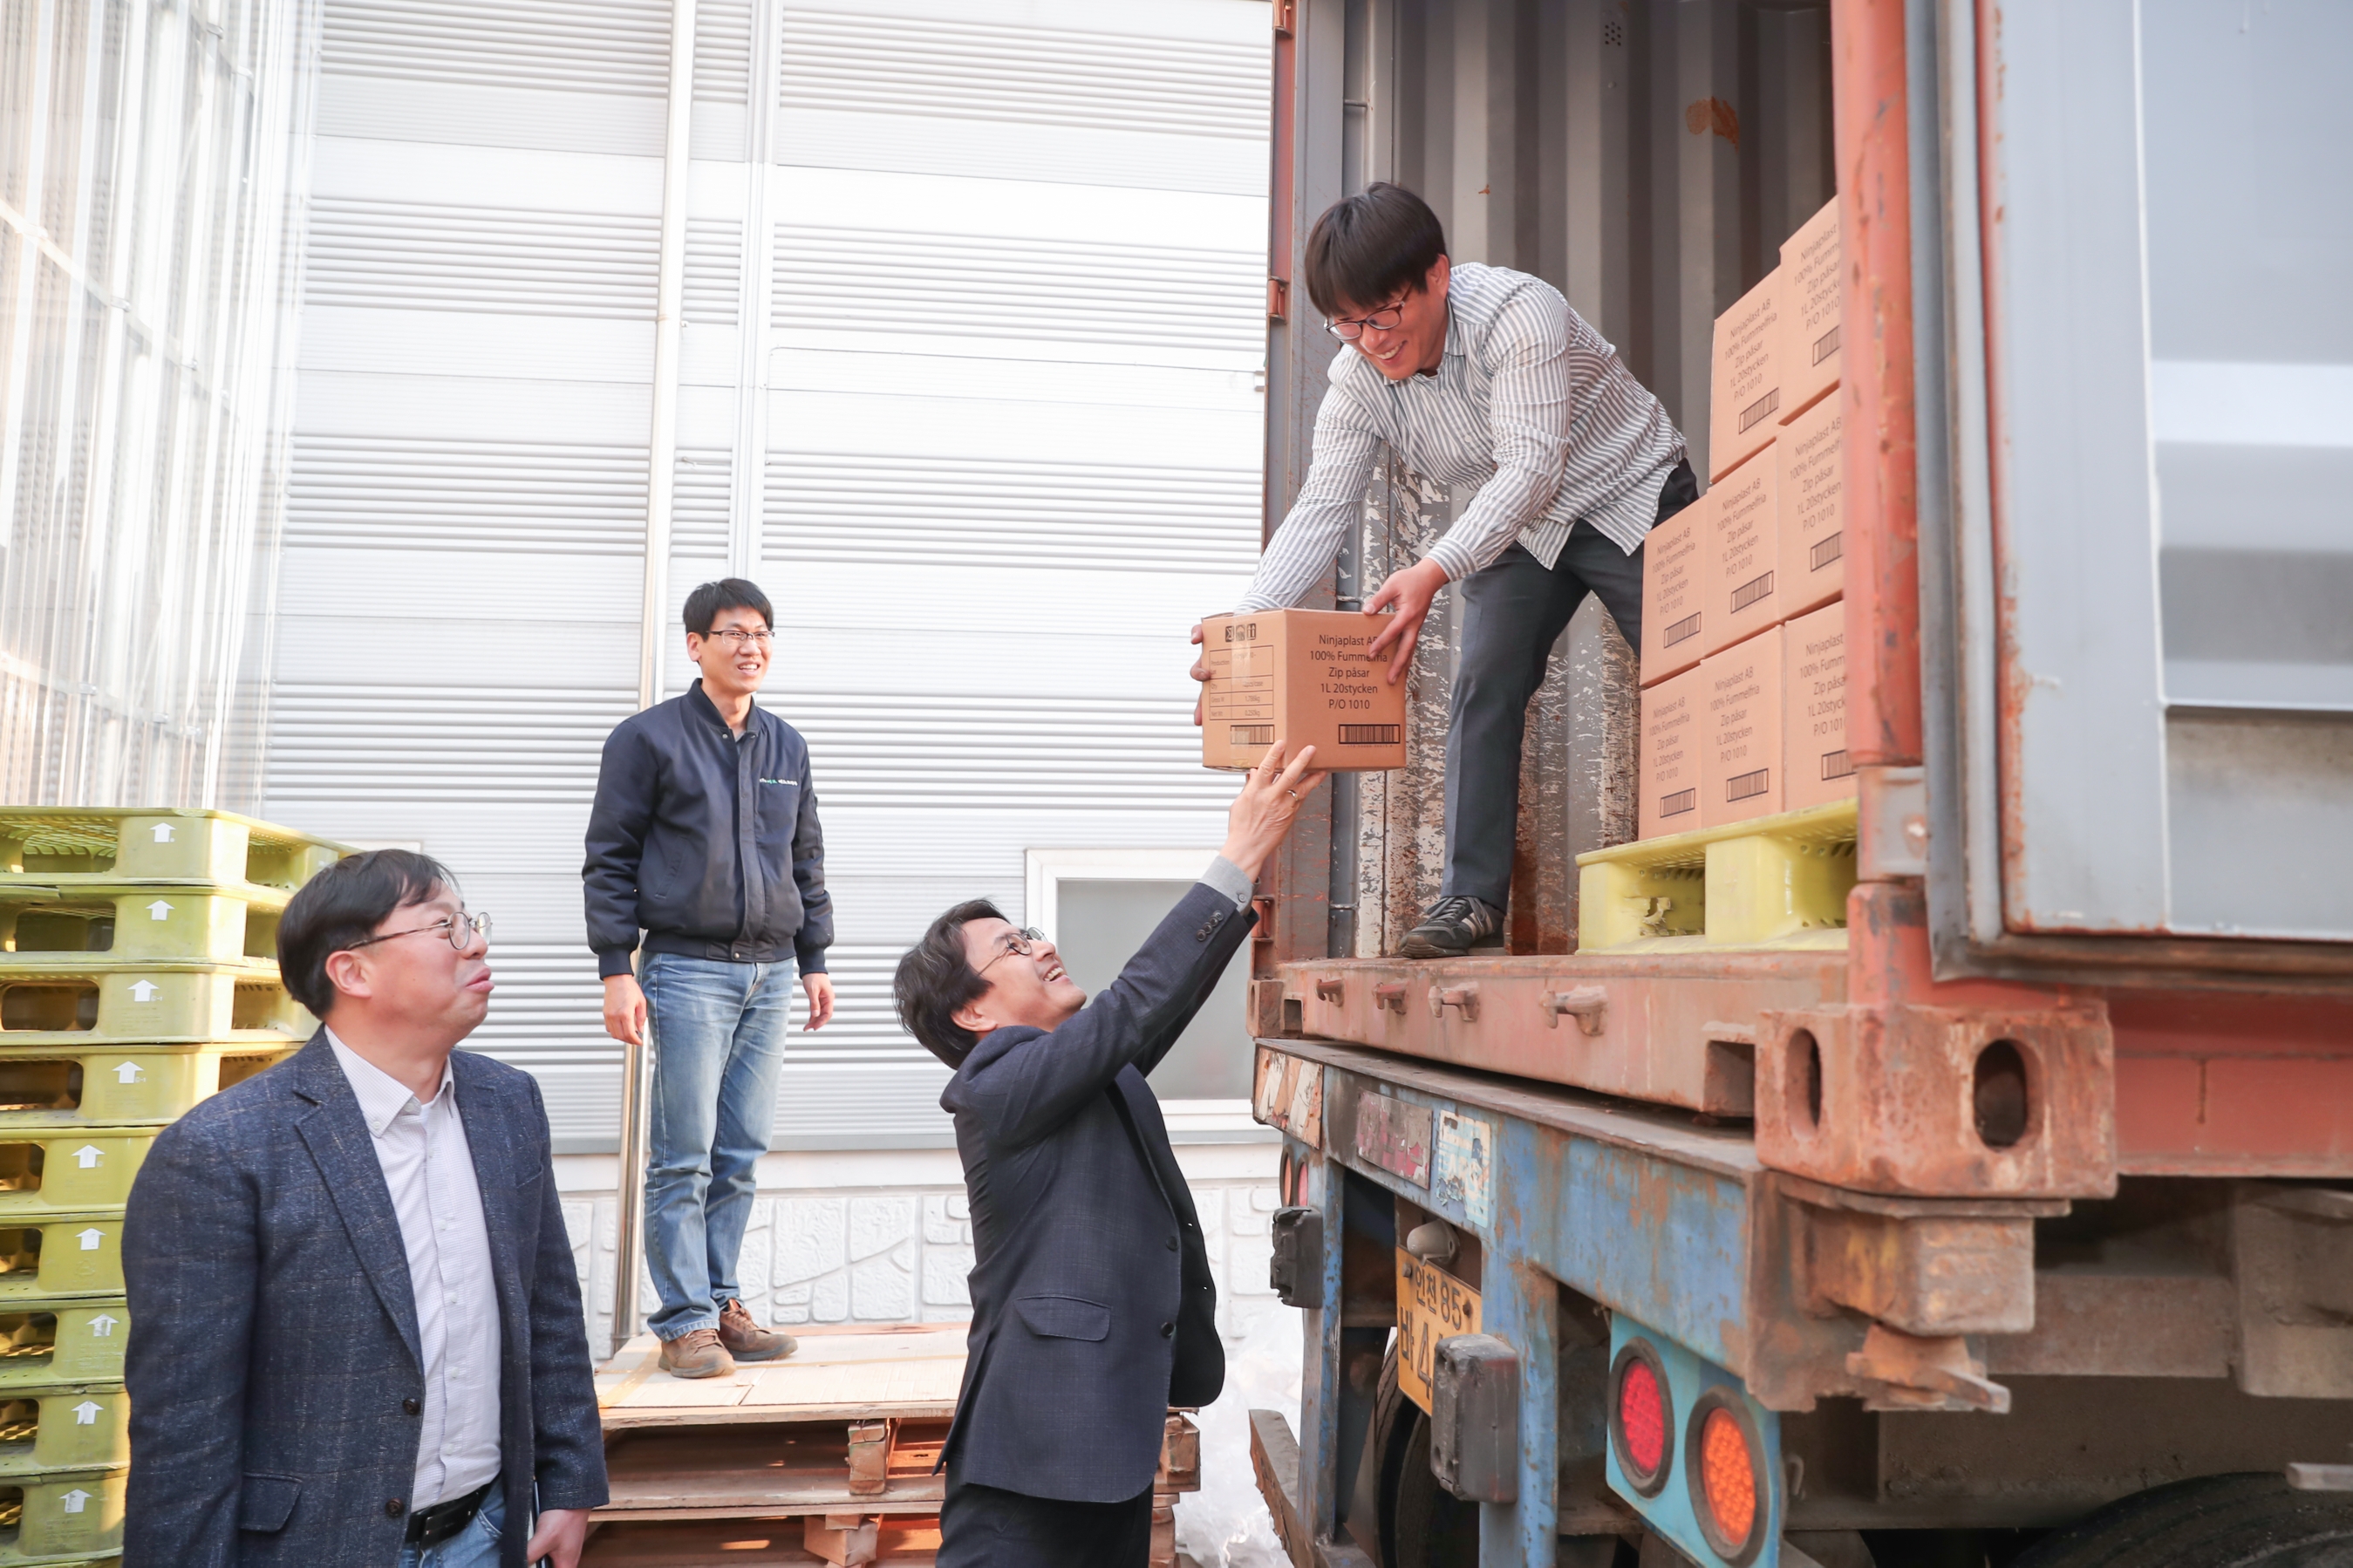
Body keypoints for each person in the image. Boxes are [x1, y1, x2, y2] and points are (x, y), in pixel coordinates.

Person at [1195, 181, 1695, 958]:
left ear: (1437, 274)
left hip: (1625, 489)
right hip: (1522, 524)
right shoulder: (1358, 378)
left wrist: (1433, 569)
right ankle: (1471, 899)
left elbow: (1533, 464)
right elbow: (1322, 506)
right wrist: (1243, 629)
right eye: (1348, 322)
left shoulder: (1518, 314)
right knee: (1484, 683)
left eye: (1385, 312)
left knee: (1692, 665)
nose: (1371, 340)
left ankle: (1731, 835)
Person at [893, 742, 1327, 1568]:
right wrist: (1234, 857)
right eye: (1011, 948)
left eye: (1031, 933)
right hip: (1033, 1462)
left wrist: (1252, 886)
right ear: (975, 1015)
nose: (1040, 947)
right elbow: (1132, 1008)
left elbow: (1151, 1015)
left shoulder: (1082, 1077)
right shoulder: (995, 1085)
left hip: (1101, 1456)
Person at [122, 849, 606, 1568]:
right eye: (444, 927)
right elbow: (185, 1423)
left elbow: (549, 1307)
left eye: (470, 923)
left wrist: (569, 1486)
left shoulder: (507, 1103)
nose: (476, 944)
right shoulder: (221, 1150)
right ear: (352, 972)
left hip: (486, 1531)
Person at [585, 577, 834, 1378]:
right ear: (695, 645)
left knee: (740, 1152)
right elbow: (609, 857)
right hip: (686, 969)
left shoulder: (785, 745)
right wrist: (616, 969)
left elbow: (805, 858)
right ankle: (684, 1322)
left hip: (770, 971)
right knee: (683, 1154)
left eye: (761, 633)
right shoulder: (647, 739)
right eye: (732, 633)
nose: (749, 646)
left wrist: (814, 959)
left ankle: (723, 1304)